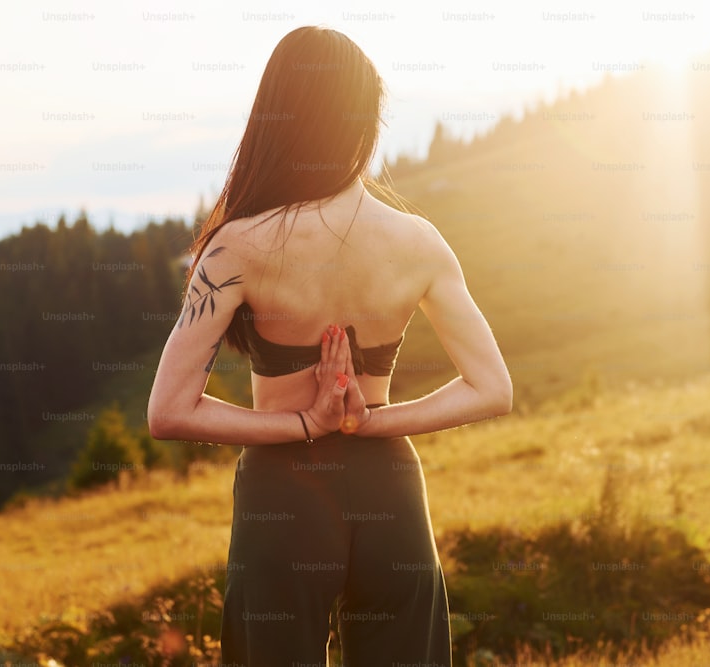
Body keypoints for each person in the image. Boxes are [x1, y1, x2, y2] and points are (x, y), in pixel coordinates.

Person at [147, 26, 511, 666]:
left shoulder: (236, 247)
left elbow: (169, 411)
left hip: (284, 495)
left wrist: (303, 423)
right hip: (391, 490)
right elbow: (492, 389)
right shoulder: (419, 240)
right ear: (364, 121)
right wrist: (370, 423)